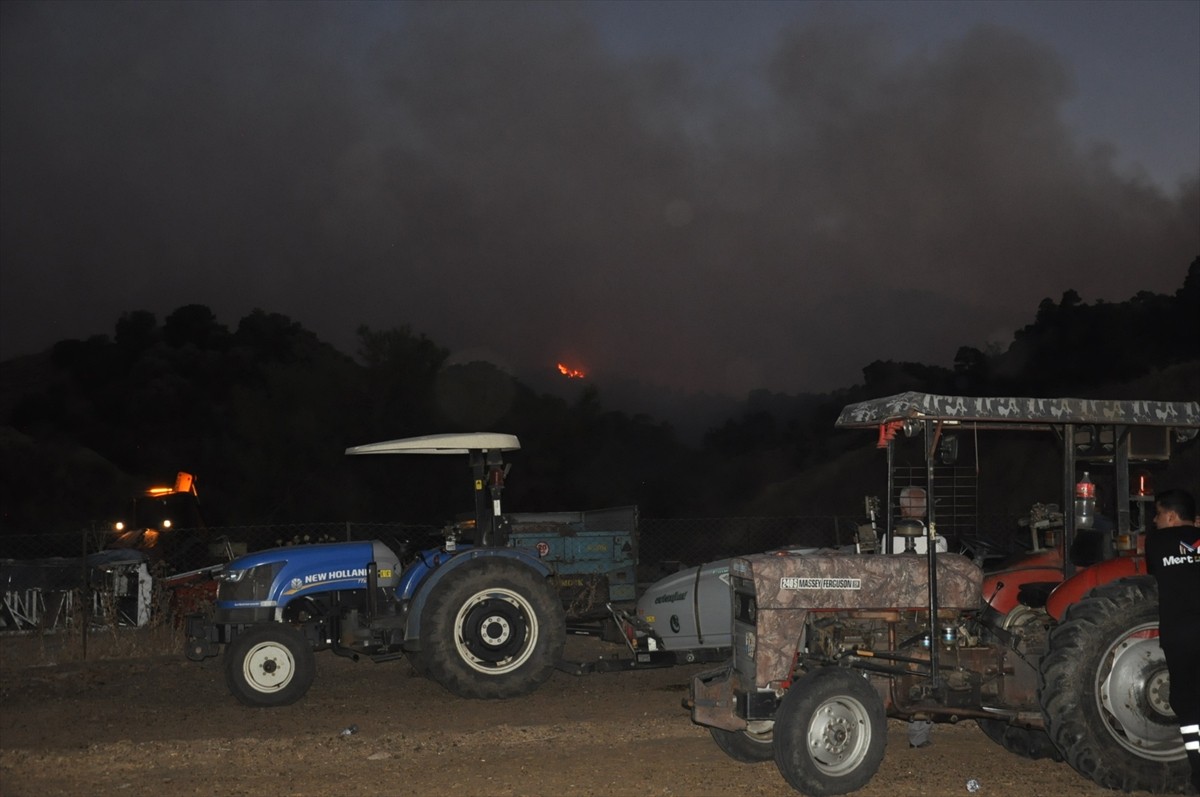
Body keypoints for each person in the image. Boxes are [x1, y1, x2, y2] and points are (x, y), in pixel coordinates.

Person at [1145, 488, 1200, 793]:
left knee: (1188, 703)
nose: (1155, 520)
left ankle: (1199, 775)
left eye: (1157, 513)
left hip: (1181, 634)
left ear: (1171, 515)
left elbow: (1157, 569)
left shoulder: (1157, 542)